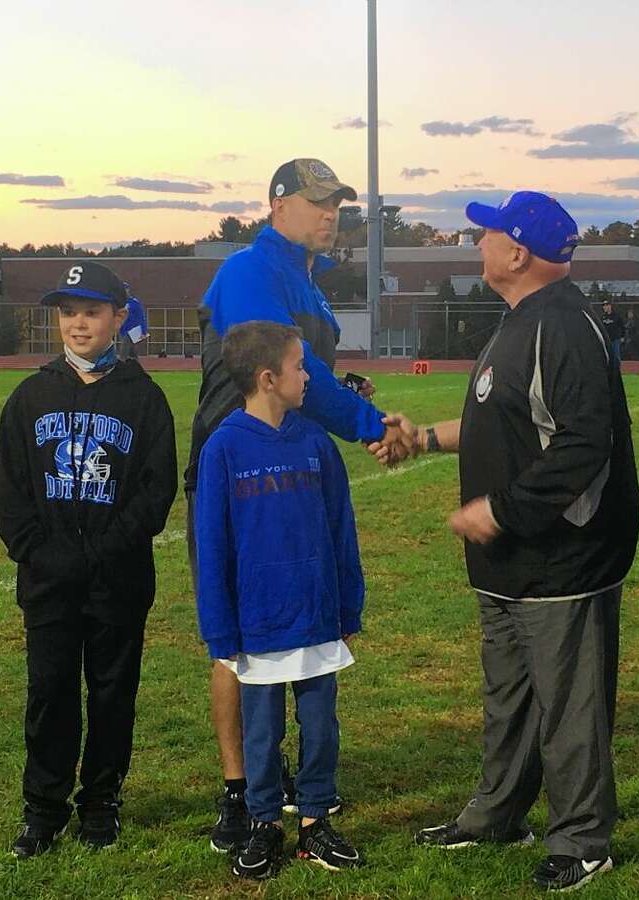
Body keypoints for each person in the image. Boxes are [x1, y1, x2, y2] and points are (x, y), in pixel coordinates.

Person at [385, 192, 639, 892]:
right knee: (512, 699)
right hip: (511, 562)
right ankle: (498, 813)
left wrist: (501, 511)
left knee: (571, 706)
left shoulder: (563, 325)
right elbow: (508, 423)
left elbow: (586, 444)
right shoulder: (520, 322)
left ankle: (583, 839)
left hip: (563, 557)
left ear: (519, 252)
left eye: (486, 233)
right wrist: (426, 441)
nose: (477, 245)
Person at [184, 157, 416, 852]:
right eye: (318, 203)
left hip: (297, 470)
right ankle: (240, 795)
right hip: (242, 474)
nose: (329, 216)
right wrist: (369, 425)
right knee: (238, 644)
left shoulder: (302, 275)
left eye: (337, 206)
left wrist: (346, 394)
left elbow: (308, 377)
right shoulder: (254, 269)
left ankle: (290, 789)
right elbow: (292, 376)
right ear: (277, 204)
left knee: (303, 625)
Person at [0, 260, 178, 857]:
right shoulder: (30, 396)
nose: (78, 324)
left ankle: (101, 801)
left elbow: (155, 492)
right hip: (48, 582)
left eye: (92, 311)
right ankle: (43, 808)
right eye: (67, 312)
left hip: (117, 580)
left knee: (111, 692)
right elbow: (11, 491)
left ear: (119, 317)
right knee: (48, 693)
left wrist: (102, 551)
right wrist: (41, 555)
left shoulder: (144, 399)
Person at [194, 321, 365, 880]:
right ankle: (264, 822)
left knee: (322, 726)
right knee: (263, 731)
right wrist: (220, 629)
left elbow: (341, 527)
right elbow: (214, 544)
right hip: (258, 621)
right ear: (269, 379)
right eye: (299, 367)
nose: (307, 377)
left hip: (315, 613)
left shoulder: (315, 440)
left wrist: (348, 606)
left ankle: (315, 821)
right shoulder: (224, 446)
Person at [600, 300, 625, 365]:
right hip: (606, 340)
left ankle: (617, 369)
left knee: (616, 355)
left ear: (610, 306)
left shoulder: (616, 316)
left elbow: (622, 326)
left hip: (615, 339)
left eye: (607, 305)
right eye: (604, 306)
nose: (605, 307)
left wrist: (622, 336)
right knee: (607, 355)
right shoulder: (602, 317)